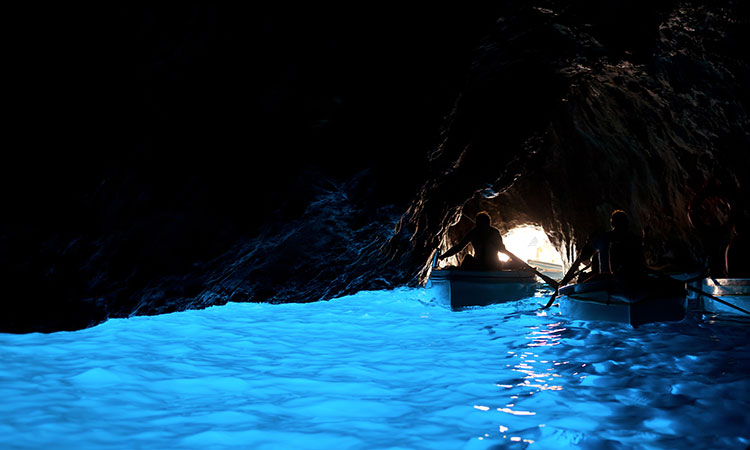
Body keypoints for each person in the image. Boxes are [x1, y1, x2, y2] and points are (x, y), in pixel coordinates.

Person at [559, 210, 646, 286]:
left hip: (606, 279)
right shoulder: (636, 239)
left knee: (582, 279)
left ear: (612, 224)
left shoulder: (602, 238)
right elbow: (642, 263)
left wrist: (564, 282)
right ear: (627, 223)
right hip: (634, 278)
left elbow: (581, 258)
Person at [437, 212, 518, 271]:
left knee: (467, 258)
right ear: (488, 223)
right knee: (468, 258)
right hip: (491, 266)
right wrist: (442, 256)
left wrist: (442, 256)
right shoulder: (491, 232)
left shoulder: (476, 232)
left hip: (483, 265)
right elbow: (502, 250)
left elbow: (458, 247)